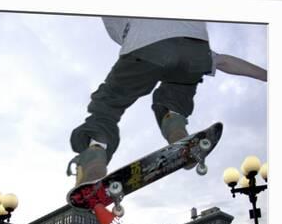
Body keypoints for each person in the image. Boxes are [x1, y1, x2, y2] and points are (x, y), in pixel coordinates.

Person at [67, 16, 267, 186]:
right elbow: (225, 61)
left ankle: (95, 151)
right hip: (195, 48)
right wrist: (267, 75)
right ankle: (174, 123)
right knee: (177, 91)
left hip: (144, 45)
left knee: (107, 107)